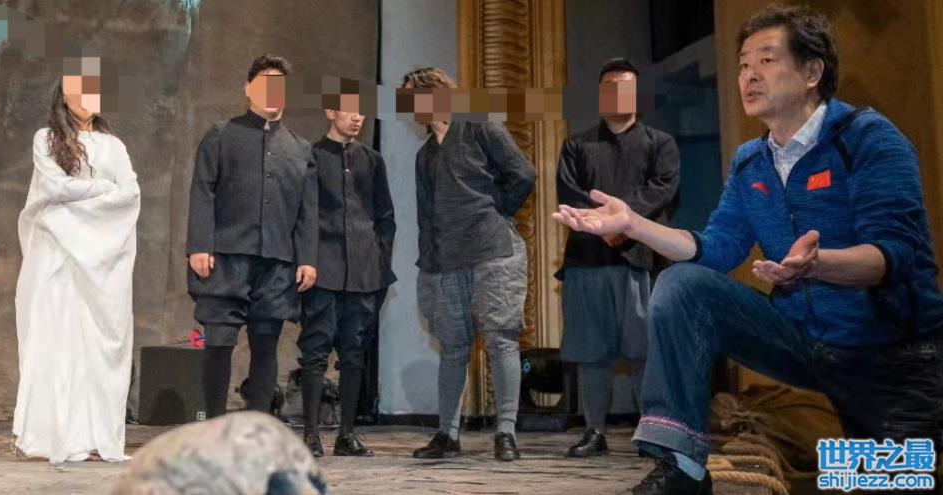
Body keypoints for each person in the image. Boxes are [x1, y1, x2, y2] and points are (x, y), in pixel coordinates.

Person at [554, 5, 943, 494]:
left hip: (890, 355)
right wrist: (634, 223)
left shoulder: (868, 138)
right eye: (742, 64)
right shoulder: (750, 161)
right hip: (803, 341)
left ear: (812, 72)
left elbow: (894, 256)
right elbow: (716, 248)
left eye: (767, 60)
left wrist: (818, 264)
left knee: (892, 482)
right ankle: (683, 469)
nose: (749, 75)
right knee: (683, 285)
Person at [402, 67, 536, 462]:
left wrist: (496, 212)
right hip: (446, 262)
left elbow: (523, 174)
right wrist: (428, 267)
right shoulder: (425, 156)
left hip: (493, 251)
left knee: (500, 338)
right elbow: (426, 217)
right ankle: (447, 434)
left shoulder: (479, 124)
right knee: (453, 346)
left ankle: (506, 433)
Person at [13, 72, 141, 463]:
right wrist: (103, 189)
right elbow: (54, 189)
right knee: (58, 340)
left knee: (98, 345)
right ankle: (54, 434)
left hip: (104, 260)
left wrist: (79, 205)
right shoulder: (46, 139)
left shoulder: (113, 145)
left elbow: (130, 193)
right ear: (64, 97)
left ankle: (95, 435)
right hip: (58, 255)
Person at [556, 58, 679, 458]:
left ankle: (652, 434)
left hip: (639, 259)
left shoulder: (660, 144)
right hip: (586, 260)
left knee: (645, 351)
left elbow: (662, 190)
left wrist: (621, 224)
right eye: (609, 86)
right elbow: (569, 193)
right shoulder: (577, 145)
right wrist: (601, 226)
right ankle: (594, 431)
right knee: (590, 352)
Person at [187, 54, 317, 419]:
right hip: (226, 257)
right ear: (248, 89)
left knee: (265, 344)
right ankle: (214, 425)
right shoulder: (221, 135)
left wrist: (307, 258)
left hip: (277, 262)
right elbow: (203, 190)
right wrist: (199, 245)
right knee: (218, 341)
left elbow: (307, 211)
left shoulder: (300, 148)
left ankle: (257, 427)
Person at [298, 99, 395, 457]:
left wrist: (381, 261)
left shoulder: (372, 160)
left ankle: (347, 434)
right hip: (322, 271)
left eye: (362, 112)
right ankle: (311, 434)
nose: (357, 118)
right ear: (330, 112)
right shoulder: (311, 156)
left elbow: (385, 216)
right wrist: (306, 260)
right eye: (349, 110)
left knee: (355, 354)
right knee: (315, 351)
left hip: (365, 273)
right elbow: (303, 215)